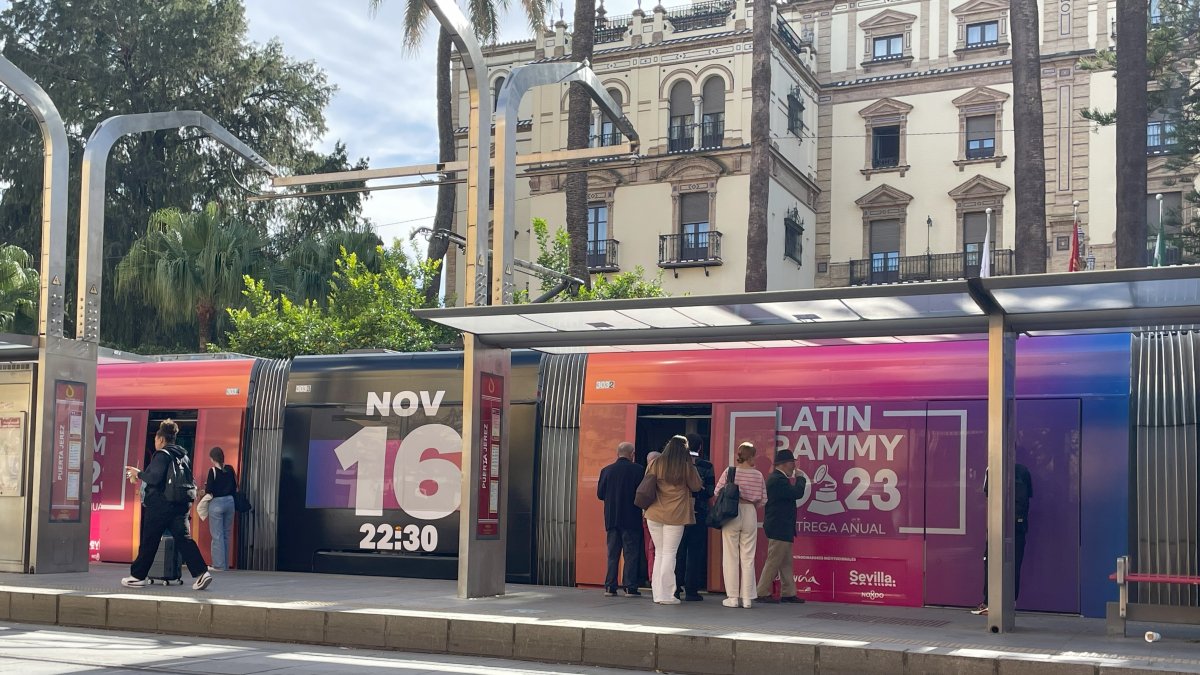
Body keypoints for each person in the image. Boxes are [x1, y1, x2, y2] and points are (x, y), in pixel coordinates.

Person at [121, 419, 212, 590]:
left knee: (149, 540)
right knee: (184, 540)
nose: (155, 443)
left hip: (161, 506)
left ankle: (137, 576)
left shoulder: (162, 455)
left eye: (155, 439)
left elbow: (154, 477)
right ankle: (202, 573)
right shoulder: (183, 455)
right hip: (180, 505)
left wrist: (138, 473)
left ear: (161, 439)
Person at [643, 436, 702, 605]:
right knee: (669, 553)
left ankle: (658, 594)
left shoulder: (655, 463)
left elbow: (647, 481)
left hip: (654, 513)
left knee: (660, 553)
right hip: (675, 515)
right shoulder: (685, 466)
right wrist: (691, 464)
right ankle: (668, 595)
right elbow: (697, 486)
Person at [972, 462, 1033, 616]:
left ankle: (989, 603)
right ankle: (1010, 603)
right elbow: (1028, 499)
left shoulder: (991, 469)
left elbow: (988, 498)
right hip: (1018, 527)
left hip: (997, 527)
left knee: (991, 562)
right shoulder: (1023, 470)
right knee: (1014, 563)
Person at [716, 442, 766, 608]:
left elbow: (718, 492)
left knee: (730, 556)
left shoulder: (730, 472)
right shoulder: (758, 475)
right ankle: (747, 598)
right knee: (748, 556)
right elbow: (763, 499)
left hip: (731, 513)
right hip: (750, 512)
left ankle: (732, 597)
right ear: (751, 456)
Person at [755, 449, 807, 604]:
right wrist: (801, 479)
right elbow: (797, 493)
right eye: (792, 462)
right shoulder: (778, 480)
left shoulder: (777, 478)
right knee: (774, 560)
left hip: (782, 525)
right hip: (780, 525)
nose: (794, 466)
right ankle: (762, 591)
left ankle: (788, 592)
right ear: (784, 464)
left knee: (785, 561)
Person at [597, 442, 645, 597]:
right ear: (632, 454)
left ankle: (610, 587)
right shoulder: (638, 470)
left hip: (611, 518)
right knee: (630, 554)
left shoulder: (606, 471)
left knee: (613, 554)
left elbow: (600, 494)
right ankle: (630, 587)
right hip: (631, 518)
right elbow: (643, 493)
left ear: (618, 453)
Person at [675, 432, 715, 601]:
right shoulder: (706, 466)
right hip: (699, 513)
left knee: (677, 551)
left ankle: (675, 588)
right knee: (695, 552)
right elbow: (711, 492)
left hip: (678, 513)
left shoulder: (676, 464)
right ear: (700, 447)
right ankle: (691, 591)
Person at [205, 446, 237, 572]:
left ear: (212, 458)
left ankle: (219, 565)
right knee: (226, 534)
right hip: (230, 502)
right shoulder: (229, 469)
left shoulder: (212, 470)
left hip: (217, 503)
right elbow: (234, 486)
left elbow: (209, 490)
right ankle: (224, 564)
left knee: (217, 535)